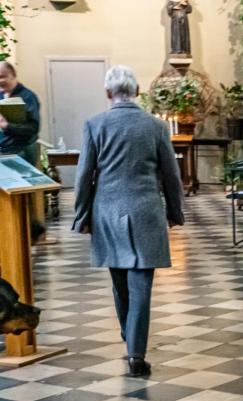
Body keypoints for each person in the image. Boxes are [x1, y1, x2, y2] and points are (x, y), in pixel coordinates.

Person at [73, 65, 184, 377]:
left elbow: (84, 175)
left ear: (108, 93)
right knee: (141, 287)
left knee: (120, 283)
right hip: (146, 211)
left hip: (107, 212)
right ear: (137, 92)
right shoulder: (156, 126)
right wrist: (175, 212)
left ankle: (130, 338)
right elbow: (171, 176)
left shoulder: (95, 125)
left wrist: (81, 215)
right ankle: (136, 350)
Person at [0, 61, 44, 240]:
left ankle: (29, 231)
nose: (0, 81)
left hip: (22, 152)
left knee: (23, 197)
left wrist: (7, 126)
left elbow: (33, 129)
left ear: (13, 75)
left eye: (3, 76)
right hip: (4, 151)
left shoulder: (27, 97)